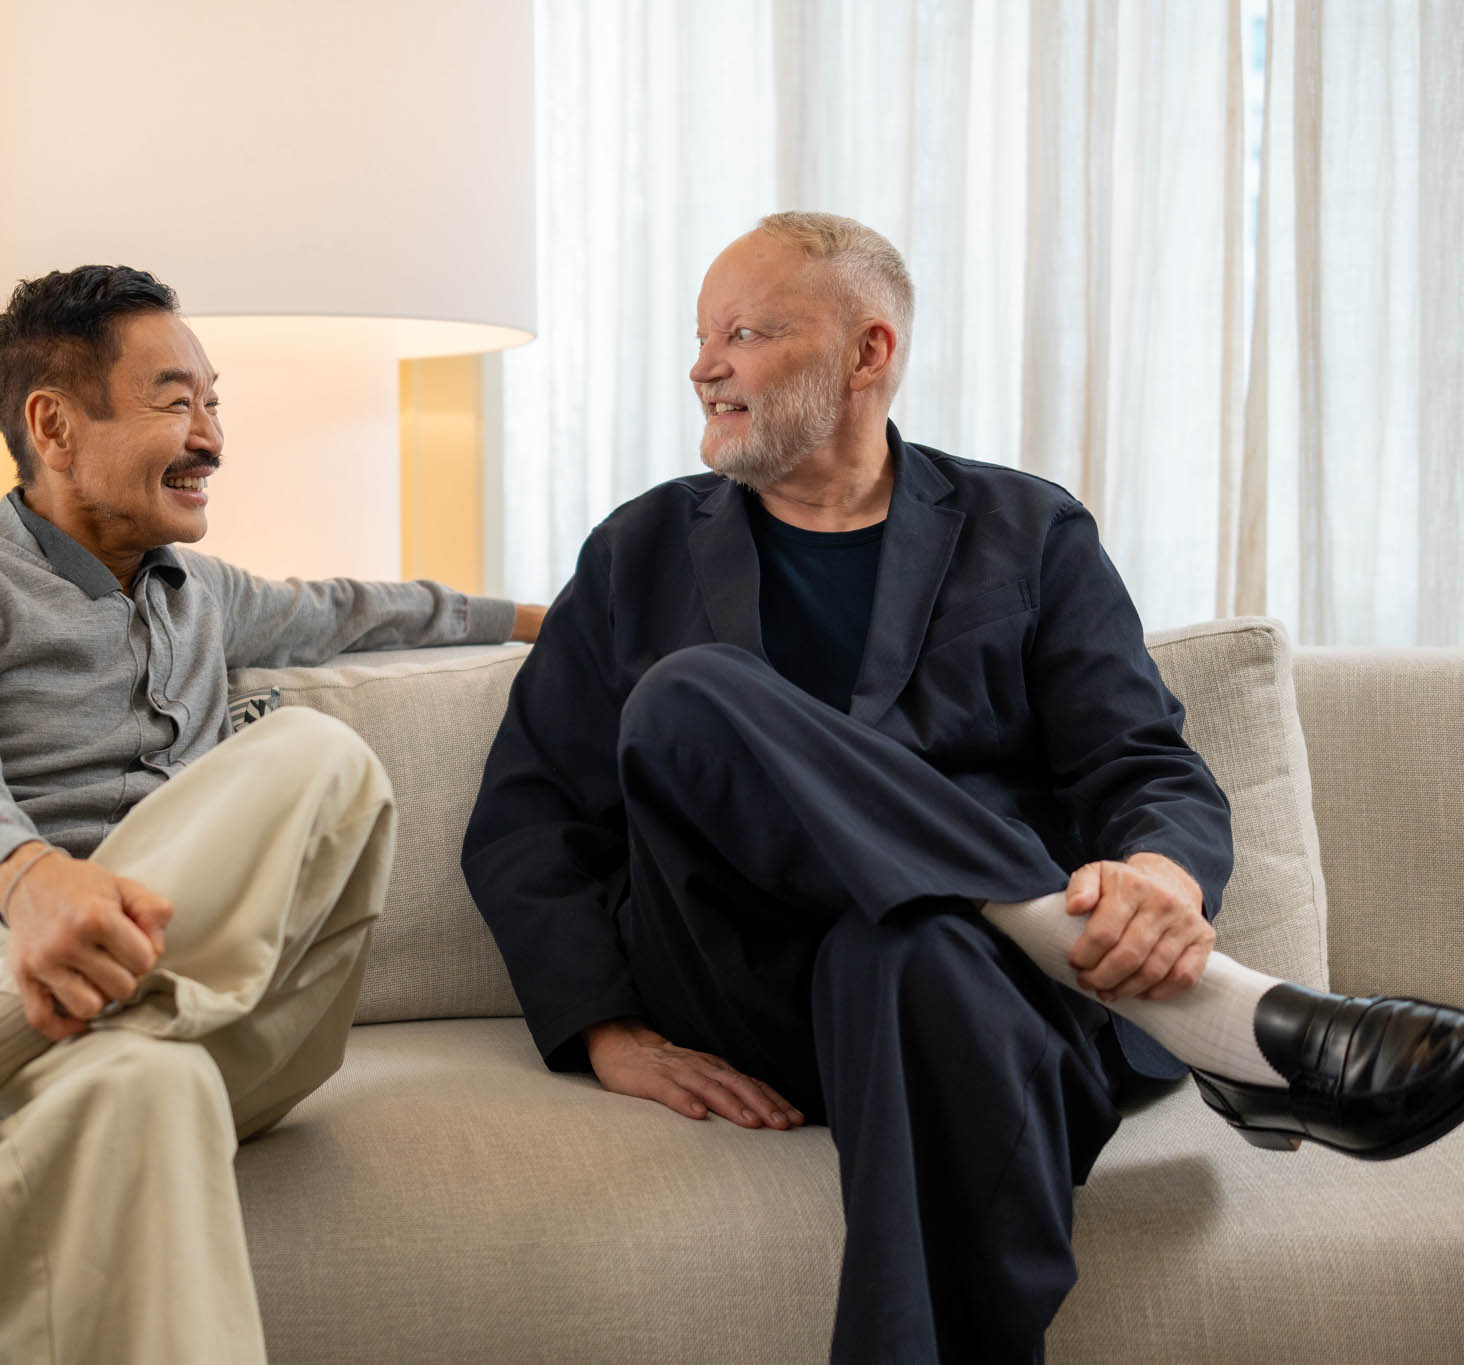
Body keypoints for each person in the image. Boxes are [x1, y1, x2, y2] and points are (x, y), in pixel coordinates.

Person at [461, 211, 1464, 1363]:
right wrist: (602, 1027)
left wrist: (1156, 874)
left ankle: (1033, 946)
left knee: (911, 951)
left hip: (967, 993)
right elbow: (526, 817)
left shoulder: (1025, 530)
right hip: (737, 974)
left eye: (743, 331)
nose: (703, 365)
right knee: (690, 696)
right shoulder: (637, 550)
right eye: (700, 336)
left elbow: (1137, 761)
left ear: (866, 352)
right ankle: (1210, 1012)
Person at [0, 265, 542, 1365]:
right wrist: (32, 881)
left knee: (317, 754)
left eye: (215, 402)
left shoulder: (204, 593)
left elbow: (367, 610)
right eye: (177, 400)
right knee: (138, 1083)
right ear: (54, 425)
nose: (212, 433)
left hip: (220, 1012)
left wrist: (559, 617)